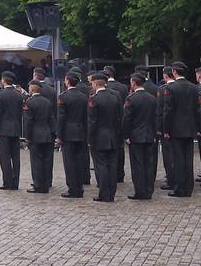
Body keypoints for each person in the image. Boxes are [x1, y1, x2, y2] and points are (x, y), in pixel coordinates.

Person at [160, 62, 200, 197]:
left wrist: (166, 129)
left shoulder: (171, 88)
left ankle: (179, 188)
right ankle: (189, 187)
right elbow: (197, 109)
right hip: (190, 128)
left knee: (178, 160)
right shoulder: (194, 88)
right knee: (188, 159)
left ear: (174, 72)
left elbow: (168, 111)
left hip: (176, 129)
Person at [123, 73, 159, 200]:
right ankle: (149, 190)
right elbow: (156, 118)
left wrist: (126, 135)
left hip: (136, 136)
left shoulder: (131, 99)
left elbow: (127, 119)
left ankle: (140, 191)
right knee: (149, 163)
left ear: (133, 83)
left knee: (137, 165)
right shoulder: (152, 98)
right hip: (149, 135)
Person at [86, 73, 119, 203]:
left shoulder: (94, 99)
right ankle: (111, 193)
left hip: (100, 137)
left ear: (95, 83)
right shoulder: (114, 98)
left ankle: (104, 193)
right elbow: (118, 118)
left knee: (102, 166)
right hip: (113, 136)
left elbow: (92, 123)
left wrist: (90, 139)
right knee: (112, 165)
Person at [56, 72, 89, 198]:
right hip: (81, 132)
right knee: (79, 161)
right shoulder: (83, 97)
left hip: (68, 133)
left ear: (67, 82)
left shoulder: (63, 97)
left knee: (69, 162)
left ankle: (72, 188)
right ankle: (79, 187)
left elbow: (61, 118)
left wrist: (59, 136)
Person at [0, 71, 24, 191]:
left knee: (5, 157)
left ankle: (8, 182)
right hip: (15, 128)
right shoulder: (18, 95)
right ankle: (16, 182)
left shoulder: (0, 94)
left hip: (4, 129)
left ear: (4, 80)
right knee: (16, 156)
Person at [23, 81, 56, 194]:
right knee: (47, 160)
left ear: (32, 90)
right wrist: (53, 133)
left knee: (36, 161)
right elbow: (51, 118)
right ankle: (46, 184)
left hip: (35, 135)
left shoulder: (30, 102)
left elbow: (29, 122)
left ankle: (38, 185)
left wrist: (27, 137)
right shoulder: (47, 102)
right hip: (47, 134)